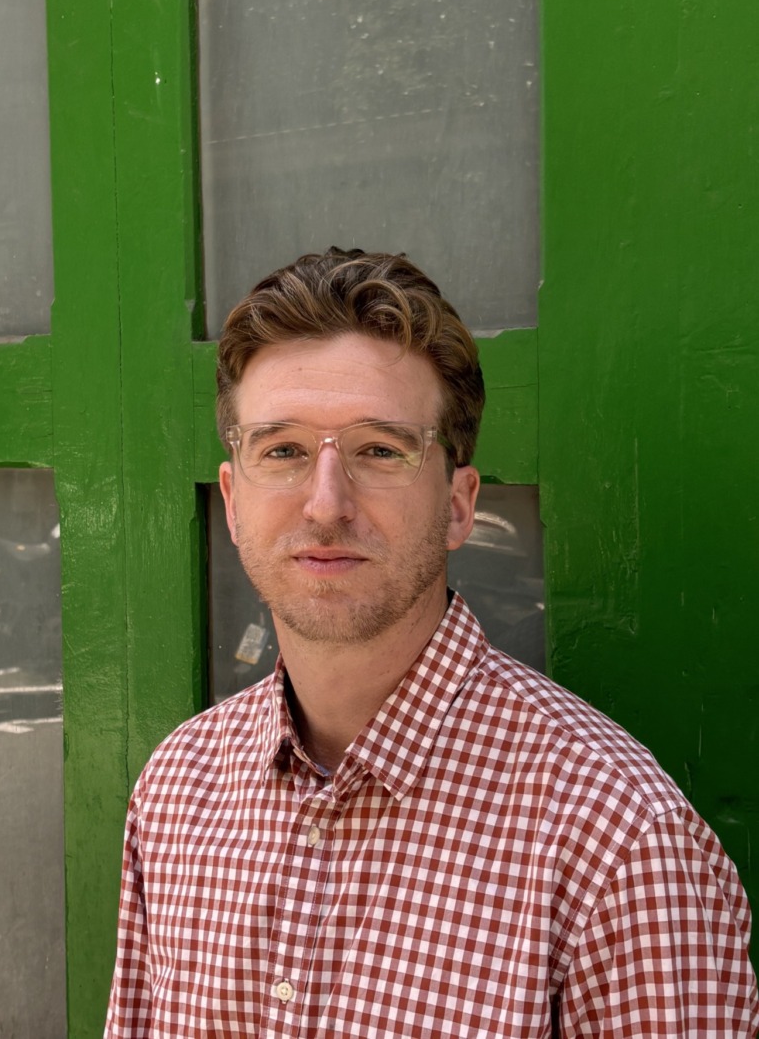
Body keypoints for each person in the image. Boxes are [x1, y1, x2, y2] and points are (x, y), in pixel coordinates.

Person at [105, 248, 759, 1038]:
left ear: (457, 505)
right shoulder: (178, 790)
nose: (325, 504)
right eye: (281, 450)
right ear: (234, 500)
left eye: (380, 449)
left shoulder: (614, 838)